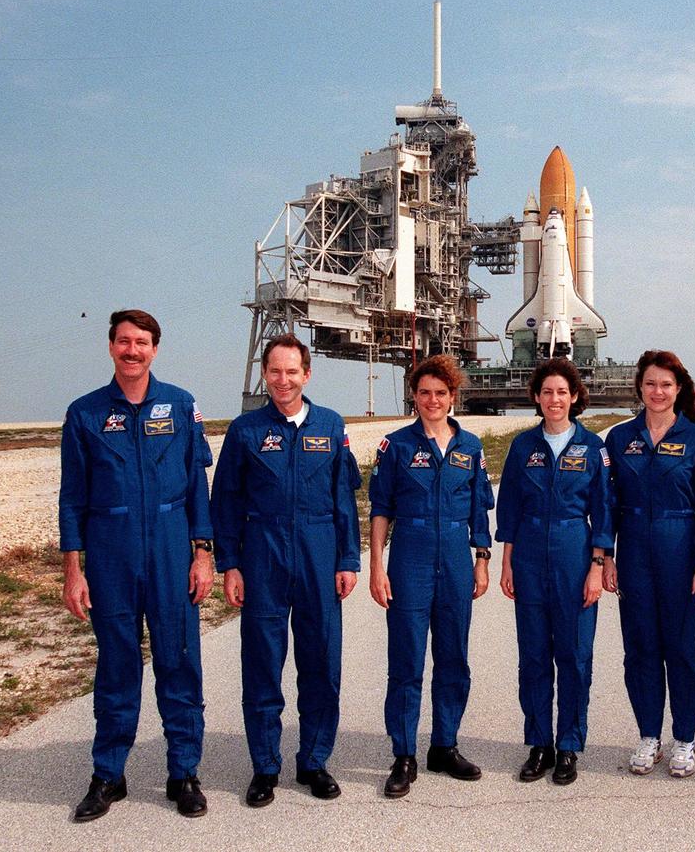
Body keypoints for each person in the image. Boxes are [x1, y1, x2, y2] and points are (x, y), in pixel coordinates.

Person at [59, 309, 214, 821]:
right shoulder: (84, 414)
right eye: (124, 342)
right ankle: (108, 775)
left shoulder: (181, 405)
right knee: (117, 666)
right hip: (111, 555)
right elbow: (72, 499)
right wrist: (74, 570)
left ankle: (183, 773)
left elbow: (197, 486)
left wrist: (203, 554)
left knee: (179, 663)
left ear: (155, 349)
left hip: (171, 553)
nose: (133, 351)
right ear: (111, 347)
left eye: (142, 342)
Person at [209, 334, 361, 807]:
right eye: (274, 371)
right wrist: (229, 564)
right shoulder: (246, 431)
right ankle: (265, 767)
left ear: (307, 374)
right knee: (262, 664)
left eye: (291, 371)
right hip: (264, 553)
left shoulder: (331, 426)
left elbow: (344, 502)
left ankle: (314, 761)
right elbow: (226, 501)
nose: (282, 380)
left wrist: (348, 560)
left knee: (320, 663)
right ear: (265, 374)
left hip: (319, 552)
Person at [368, 354, 495, 798]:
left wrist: (482, 559)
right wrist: (377, 567)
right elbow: (381, 510)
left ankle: (445, 744)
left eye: (440, 393)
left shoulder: (470, 447)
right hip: (410, 556)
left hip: (456, 560)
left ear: (452, 396)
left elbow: (480, 508)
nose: (432, 400)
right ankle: (404, 754)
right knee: (406, 659)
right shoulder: (396, 446)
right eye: (424, 393)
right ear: (414, 396)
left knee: (454, 657)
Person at [603, 350, 695, 779]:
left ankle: (685, 738)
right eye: (651, 383)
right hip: (634, 553)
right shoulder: (620, 440)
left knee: (681, 650)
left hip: (681, 554)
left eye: (667, 385)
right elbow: (606, 506)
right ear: (640, 386)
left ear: (679, 390)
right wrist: (606, 557)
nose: (658, 392)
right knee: (640, 650)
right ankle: (648, 735)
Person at [497, 359, 614, 785]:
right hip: (528, 553)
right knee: (532, 657)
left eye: (562, 392)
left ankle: (569, 745)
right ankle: (539, 743)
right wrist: (508, 561)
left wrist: (597, 567)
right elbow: (508, 506)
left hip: (574, 553)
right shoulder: (522, 447)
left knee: (575, 656)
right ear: (536, 397)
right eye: (547, 392)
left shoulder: (592, 447)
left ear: (575, 396)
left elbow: (603, 510)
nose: (554, 400)